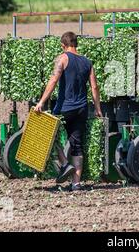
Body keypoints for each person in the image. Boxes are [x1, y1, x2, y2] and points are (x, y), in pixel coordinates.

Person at [34, 31, 103, 192]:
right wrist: (98, 108)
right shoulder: (88, 62)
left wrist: (41, 102)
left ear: (63, 45)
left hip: (64, 108)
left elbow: (53, 80)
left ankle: (65, 164)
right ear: (76, 44)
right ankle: (76, 184)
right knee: (77, 145)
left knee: (47, 136)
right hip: (81, 109)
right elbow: (94, 87)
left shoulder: (63, 58)